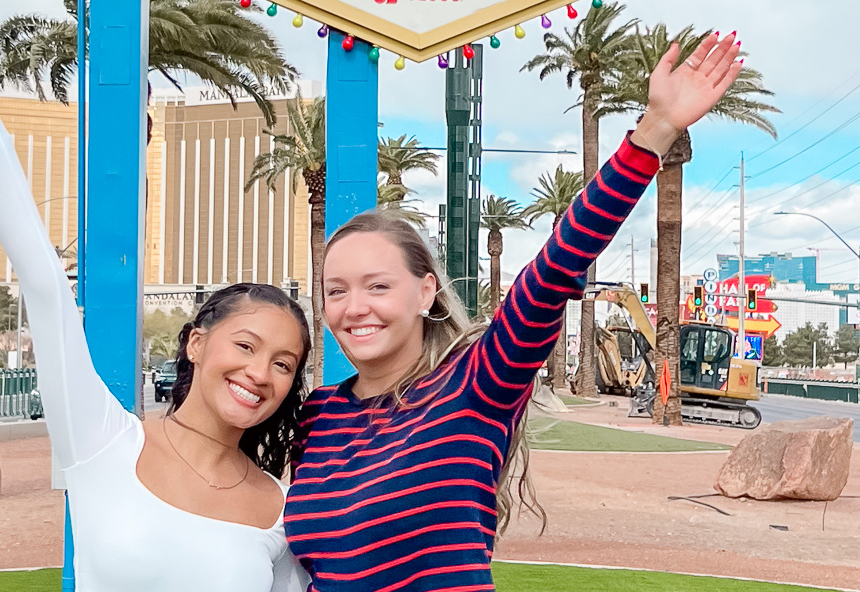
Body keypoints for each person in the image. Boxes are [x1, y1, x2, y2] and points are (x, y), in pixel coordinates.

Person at [285, 32, 746, 591]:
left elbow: (552, 270)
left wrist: (655, 131)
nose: (354, 308)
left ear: (426, 291)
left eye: (377, 286)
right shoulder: (319, 414)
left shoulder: (477, 382)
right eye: (336, 290)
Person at [0, 66, 310, 592]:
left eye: (282, 364)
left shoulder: (279, 508)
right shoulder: (104, 442)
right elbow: (47, 292)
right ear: (197, 343)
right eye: (246, 345)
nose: (258, 372)